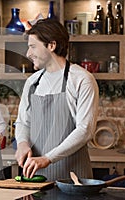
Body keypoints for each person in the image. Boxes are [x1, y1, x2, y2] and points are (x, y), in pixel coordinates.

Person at [14, 19, 99, 181]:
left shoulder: (81, 79)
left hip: (73, 178)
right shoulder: (32, 82)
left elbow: (85, 130)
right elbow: (23, 122)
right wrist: (22, 144)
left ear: (51, 46)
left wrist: (48, 158)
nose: (28, 54)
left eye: (32, 47)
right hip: (35, 176)